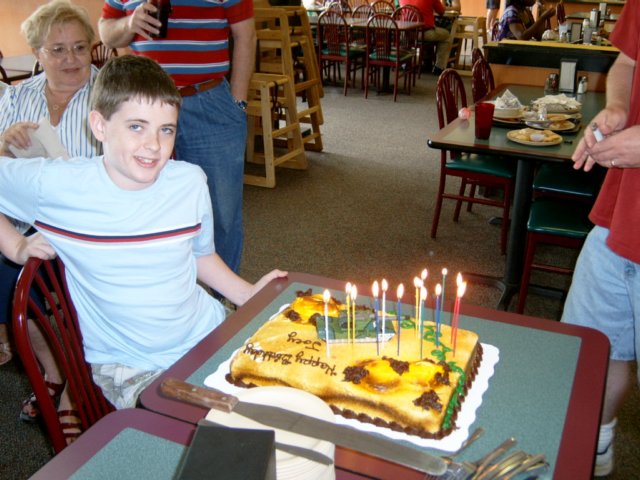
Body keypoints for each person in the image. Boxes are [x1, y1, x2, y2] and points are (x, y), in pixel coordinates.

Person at [0, 54, 286, 413]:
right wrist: (15, 245)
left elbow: (201, 256)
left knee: (288, 397)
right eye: (137, 126)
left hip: (206, 333)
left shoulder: (189, 182)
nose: (154, 144)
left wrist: (247, 294)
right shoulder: (60, 185)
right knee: (209, 424)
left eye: (166, 129)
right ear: (99, 126)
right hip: (131, 365)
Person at [98, 0, 256, 277]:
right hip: (144, 104)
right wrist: (130, 23)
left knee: (222, 211)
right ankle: (162, 287)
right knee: (146, 205)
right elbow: (106, 31)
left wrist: (238, 103)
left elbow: (246, 35)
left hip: (208, 100)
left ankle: (223, 295)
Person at [0, 0, 102, 427]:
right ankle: (54, 370)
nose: (71, 59)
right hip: (25, 222)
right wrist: (5, 145)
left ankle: (81, 385)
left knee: (83, 287)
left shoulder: (109, 94)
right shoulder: (16, 96)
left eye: (79, 47)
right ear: (37, 53)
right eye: (57, 50)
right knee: (9, 280)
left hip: (89, 221)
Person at [562, 1, 639, 476]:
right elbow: (627, 62)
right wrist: (617, 107)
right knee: (590, 348)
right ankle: (598, 441)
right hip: (618, 220)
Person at [400, 0, 453, 75]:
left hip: (405, 34)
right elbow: (441, 12)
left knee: (435, 32)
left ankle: (404, 63)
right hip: (423, 33)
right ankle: (439, 68)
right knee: (446, 36)